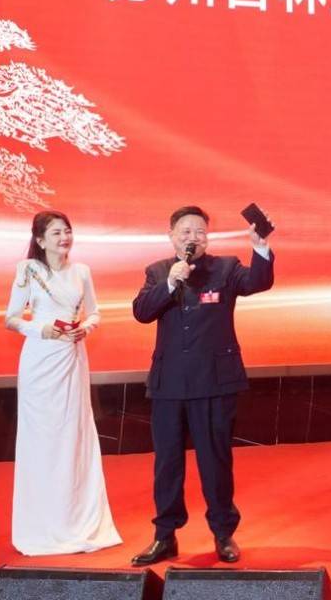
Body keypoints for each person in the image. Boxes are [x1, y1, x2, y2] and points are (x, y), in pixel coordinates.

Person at [130, 205, 274, 566]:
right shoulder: (158, 271)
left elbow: (258, 282)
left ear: (207, 238)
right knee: (167, 464)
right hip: (169, 385)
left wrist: (259, 247)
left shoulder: (225, 269)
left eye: (199, 232)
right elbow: (142, 312)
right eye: (186, 231)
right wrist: (170, 283)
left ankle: (223, 533)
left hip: (213, 382)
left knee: (216, 462)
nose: (193, 237)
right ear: (171, 236)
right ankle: (165, 536)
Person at [5, 210, 123, 555]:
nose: (64, 238)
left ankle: (77, 519)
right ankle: (41, 523)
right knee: (43, 437)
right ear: (40, 240)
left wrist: (86, 327)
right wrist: (41, 329)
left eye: (67, 231)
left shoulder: (81, 271)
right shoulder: (28, 269)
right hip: (40, 359)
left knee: (73, 434)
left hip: (72, 356)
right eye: (56, 233)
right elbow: (11, 318)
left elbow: (95, 311)